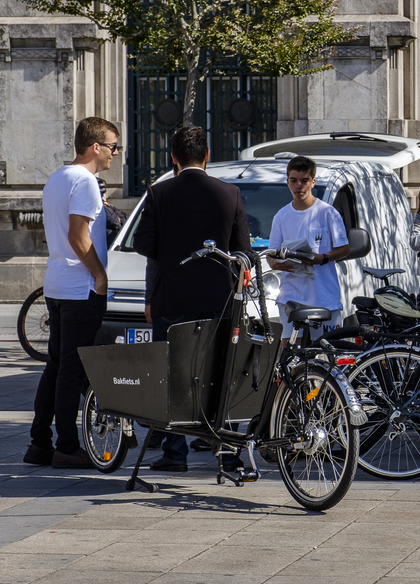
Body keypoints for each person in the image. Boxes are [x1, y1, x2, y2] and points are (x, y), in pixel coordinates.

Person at [134, 125, 252, 472]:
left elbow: (143, 243)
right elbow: (243, 250)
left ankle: (175, 452)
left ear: (173, 158)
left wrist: (171, 252)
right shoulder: (230, 193)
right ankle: (228, 451)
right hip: (220, 301)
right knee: (221, 374)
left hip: (172, 299)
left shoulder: (159, 193)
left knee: (174, 375)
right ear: (208, 156)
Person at [23, 118, 119, 469]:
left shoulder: (57, 178)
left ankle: (39, 442)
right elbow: (79, 237)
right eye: (112, 146)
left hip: (58, 284)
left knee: (56, 365)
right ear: (95, 147)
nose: (114, 154)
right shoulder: (86, 182)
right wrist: (100, 274)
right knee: (71, 370)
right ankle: (65, 444)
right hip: (81, 287)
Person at [267, 155, 350, 333]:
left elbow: (345, 248)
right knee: (290, 351)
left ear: (313, 182)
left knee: (326, 352)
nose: (299, 186)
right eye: (294, 180)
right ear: (287, 182)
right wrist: (275, 263)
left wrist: (323, 258)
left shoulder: (328, 213)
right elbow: (271, 254)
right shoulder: (281, 216)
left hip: (324, 297)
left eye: (304, 181)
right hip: (291, 296)